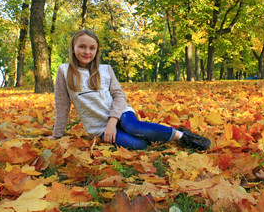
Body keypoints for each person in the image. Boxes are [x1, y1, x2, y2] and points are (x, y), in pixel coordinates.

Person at [48, 29, 211, 151]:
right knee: (138, 145)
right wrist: (57, 134)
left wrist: (113, 121)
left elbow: (119, 96)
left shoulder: (105, 69)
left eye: (92, 48)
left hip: (121, 113)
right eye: (82, 47)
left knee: (133, 127)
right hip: (99, 127)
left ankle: (181, 135)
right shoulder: (64, 71)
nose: (87, 52)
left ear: (96, 51)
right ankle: (153, 135)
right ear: (73, 47)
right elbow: (62, 105)